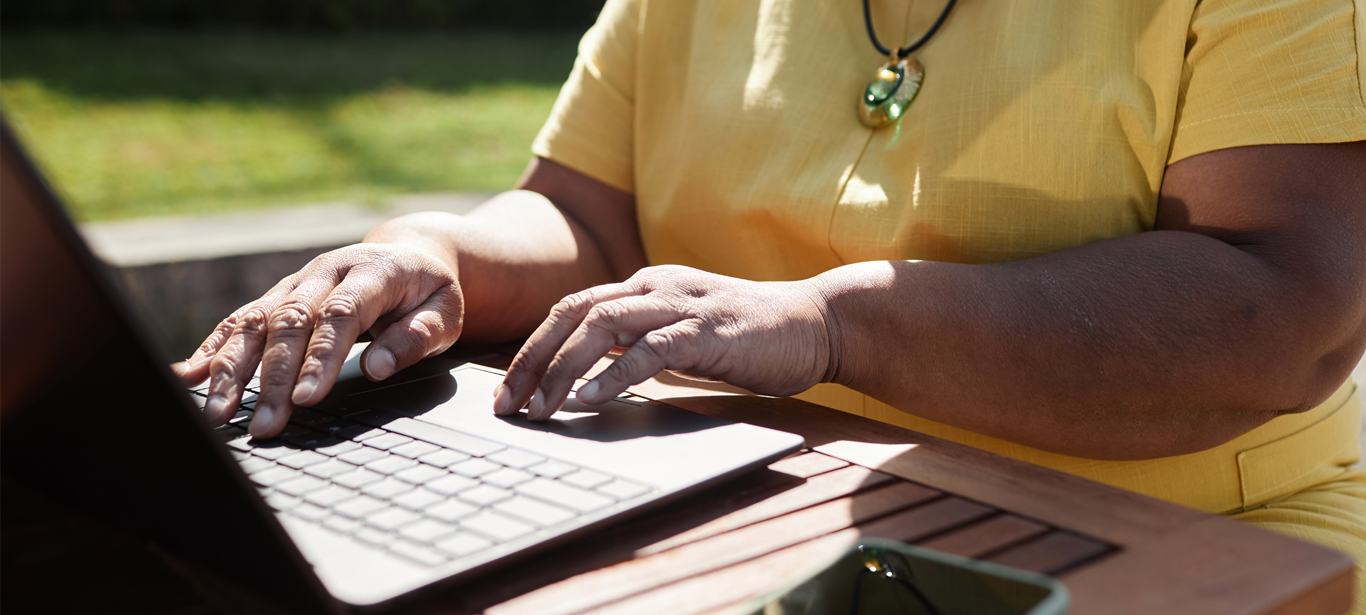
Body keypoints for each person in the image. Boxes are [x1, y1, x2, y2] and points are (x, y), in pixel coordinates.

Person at [175, 0, 1366, 611]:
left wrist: (828, 323)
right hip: (735, 510)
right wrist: (436, 250)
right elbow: (589, 221)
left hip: (1179, 546)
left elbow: (1277, 305)